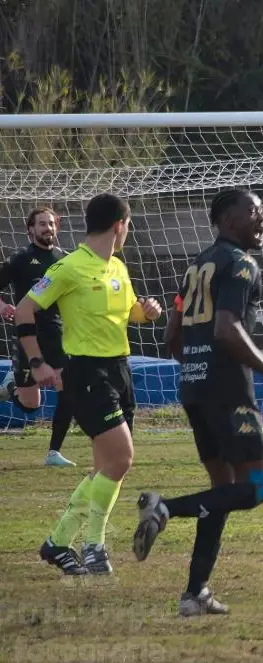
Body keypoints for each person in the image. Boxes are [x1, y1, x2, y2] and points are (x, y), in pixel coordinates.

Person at [131, 189, 263, 617]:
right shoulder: (241, 264)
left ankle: (195, 593)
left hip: (194, 389)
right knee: (256, 489)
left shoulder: (196, 265)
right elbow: (226, 329)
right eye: (255, 211)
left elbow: (172, 336)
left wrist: (199, 368)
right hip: (229, 391)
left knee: (222, 492)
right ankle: (164, 507)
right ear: (228, 219)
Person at [17, 193, 162, 576]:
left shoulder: (117, 266)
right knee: (121, 459)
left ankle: (57, 542)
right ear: (119, 225)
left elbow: (128, 312)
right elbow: (24, 309)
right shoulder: (70, 267)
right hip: (86, 373)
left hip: (120, 368)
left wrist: (145, 311)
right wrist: (38, 363)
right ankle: (94, 545)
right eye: (128, 225)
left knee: (106, 467)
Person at [0, 207, 75, 466]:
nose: (48, 228)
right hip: (27, 337)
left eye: (51, 224)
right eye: (42, 224)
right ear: (31, 229)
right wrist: (3, 306)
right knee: (32, 406)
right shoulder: (20, 259)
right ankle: (11, 387)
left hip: (57, 334)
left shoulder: (66, 260)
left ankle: (54, 452)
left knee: (68, 389)